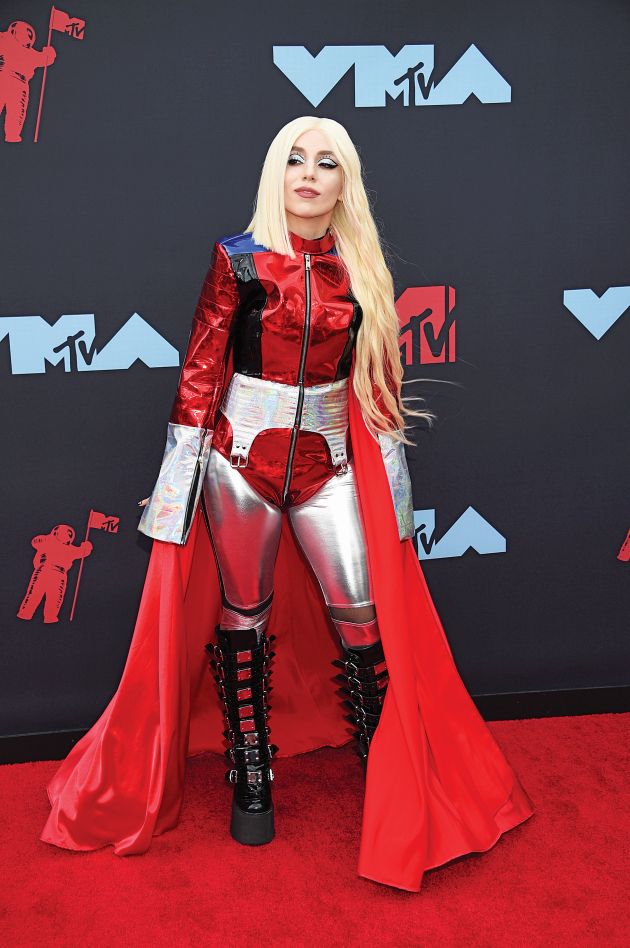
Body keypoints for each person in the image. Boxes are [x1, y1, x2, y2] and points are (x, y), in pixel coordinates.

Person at [41, 116, 534, 892]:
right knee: (244, 612)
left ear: (345, 183)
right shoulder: (238, 259)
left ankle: (387, 761)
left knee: (363, 612)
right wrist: (177, 483)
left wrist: (393, 490)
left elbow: (378, 386)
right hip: (240, 463)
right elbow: (201, 372)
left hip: (329, 466)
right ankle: (251, 768)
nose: (308, 173)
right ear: (278, 172)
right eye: (296, 159)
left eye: (326, 162)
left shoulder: (360, 267)